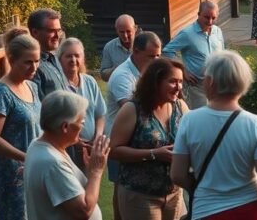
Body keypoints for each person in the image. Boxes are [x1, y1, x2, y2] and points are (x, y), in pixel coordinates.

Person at [172, 50, 257, 220]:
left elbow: (177, 174)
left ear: (211, 82)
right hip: (251, 210)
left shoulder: (189, 121)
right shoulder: (256, 124)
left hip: (206, 210)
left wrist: (203, 187)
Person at [110, 57, 188, 220]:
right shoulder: (132, 109)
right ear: (155, 82)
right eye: (172, 81)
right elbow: (114, 151)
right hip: (140, 195)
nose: (178, 87)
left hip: (174, 194)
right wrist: (153, 153)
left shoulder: (180, 107)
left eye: (180, 82)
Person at [25, 91, 110, 220]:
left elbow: (70, 192)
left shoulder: (40, 145)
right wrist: (96, 172)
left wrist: (88, 170)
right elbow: (84, 211)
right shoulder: (52, 163)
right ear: (65, 126)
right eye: (81, 122)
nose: (82, 127)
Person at [0, 27, 42, 220]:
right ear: (11, 60)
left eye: (37, 61)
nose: (34, 67)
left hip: (33, 168)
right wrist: (25, 157)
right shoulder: (2, 93)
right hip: (10, 173)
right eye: (27, 62)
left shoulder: (32, 87)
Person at [106, 31, 162, 220]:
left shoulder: (149, 72)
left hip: (141, 140)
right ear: (136, 52)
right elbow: (134, 110)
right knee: (122, 190)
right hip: (120, 141)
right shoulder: (123, 76)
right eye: (151, 56)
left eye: (158, 55)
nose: (156, 61)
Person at [163, 0, 224, 109]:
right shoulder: (187, 33)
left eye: (213, 18)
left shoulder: (218, 31)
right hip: (197, 87)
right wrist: (183, 70)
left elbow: (222, 54)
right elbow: (167, 51)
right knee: (201, 119)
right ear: (199, 14)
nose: (210, 21)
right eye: (206, 17)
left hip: (217, 85)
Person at [59, 38, 105, 169]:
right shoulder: (58, 85)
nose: (73, 60)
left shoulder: (90, 81)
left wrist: (98, 137)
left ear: (82, 58)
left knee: (89, 185)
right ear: (60, 59)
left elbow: (100, 114)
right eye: (68, 56)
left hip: (91, 149)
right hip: (67, 150)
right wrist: (75, 140)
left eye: (77, 56)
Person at [28, 7, 69, 98]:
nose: (57, 36)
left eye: (58, 30)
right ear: (35, 32)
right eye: (51, 31)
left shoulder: (54, 59)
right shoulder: (31, 67)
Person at [101, 14, 136, 82]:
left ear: (135, 29)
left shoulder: (144, 45)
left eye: (128, 31)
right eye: (122, 32)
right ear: (116, 30)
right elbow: (103, 75)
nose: (125, 35)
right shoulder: (109, 47)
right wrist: (117, 69)